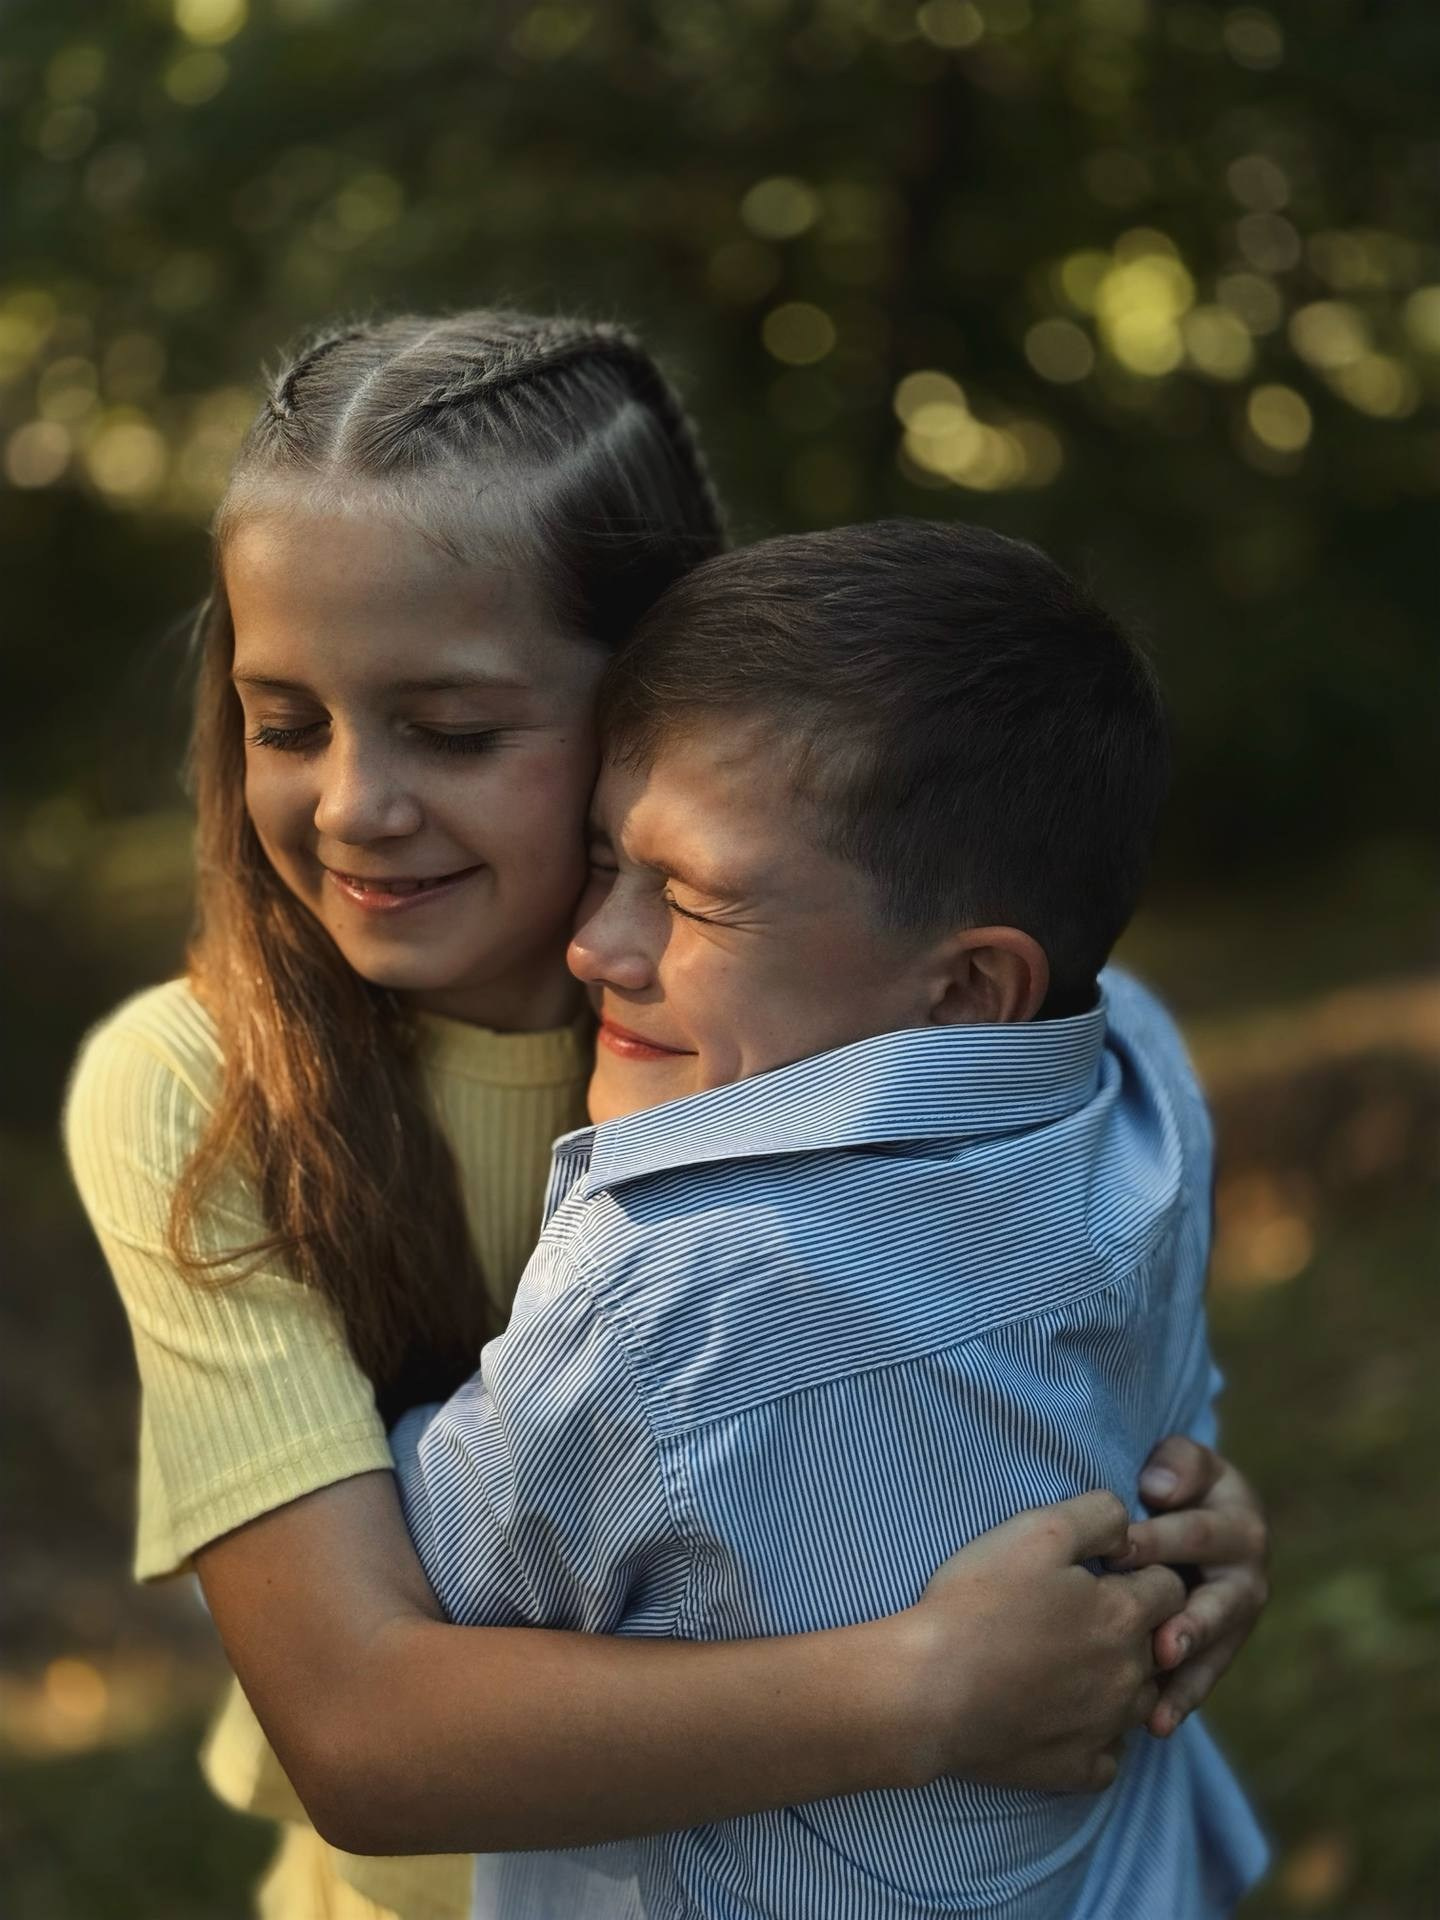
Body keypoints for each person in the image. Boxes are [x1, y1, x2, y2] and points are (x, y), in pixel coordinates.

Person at [64, 313, 1269, 1920]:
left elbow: (1051, 1356)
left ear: (656, 686)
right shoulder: (204, 1089)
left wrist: (1176, 1549)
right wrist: (926, 1690)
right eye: (287, 722)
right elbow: (357, 1729)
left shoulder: (808, 1008)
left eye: (459, 730)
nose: (354, 801)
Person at [393, 521, 1270, 1917]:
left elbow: (426, 1592)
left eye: (689, 897)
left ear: (968, 990)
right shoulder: (1142, 1069)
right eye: (607, 860)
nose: (595, 944)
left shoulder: (665, 1288)